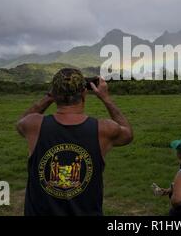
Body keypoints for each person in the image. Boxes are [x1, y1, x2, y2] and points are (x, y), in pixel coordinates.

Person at [16, 68, 133, 216]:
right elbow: (127, 135)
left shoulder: (33, 125)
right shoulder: (103, 129)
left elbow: (20, 123)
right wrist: (105, 98)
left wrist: (48, 98)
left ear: (54, 93)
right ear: (84, 93)